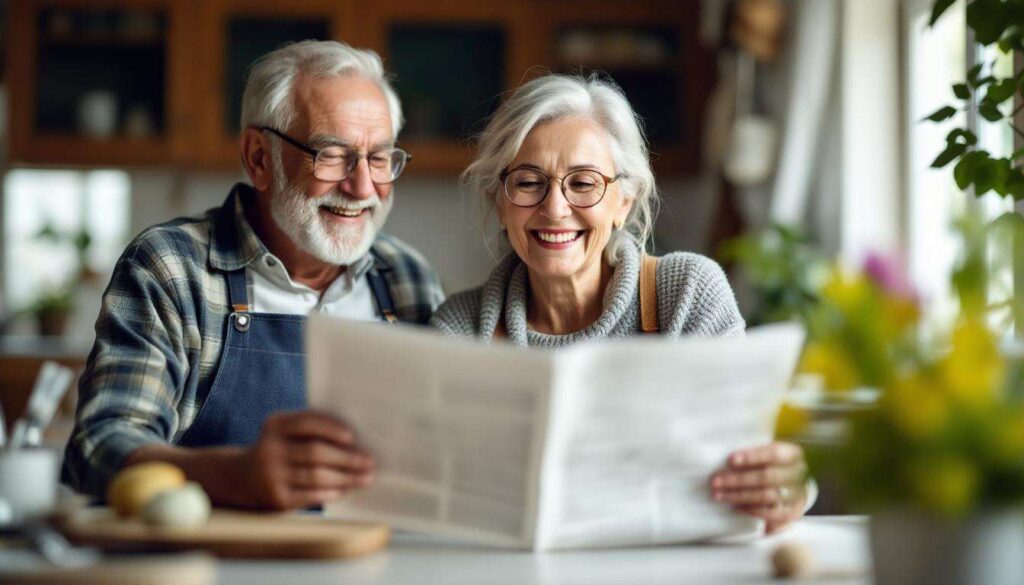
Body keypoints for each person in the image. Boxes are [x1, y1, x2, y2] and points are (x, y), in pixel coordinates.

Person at [62, 41, 444, 510]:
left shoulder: (406, 278)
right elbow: (99, 447)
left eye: (379, 158)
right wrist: (232, 476)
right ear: (260, 157)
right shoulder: (172, 268)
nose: (362, 186)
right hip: (209, 554)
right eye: (331, 155)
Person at [431, 74, 811, 533]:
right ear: (499, 200)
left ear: (624, 201)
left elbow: (756, 452)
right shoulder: (460, 328)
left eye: (583, 183)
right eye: (528, 182)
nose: (555, 208)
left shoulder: (687, 294)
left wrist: (787, 488)